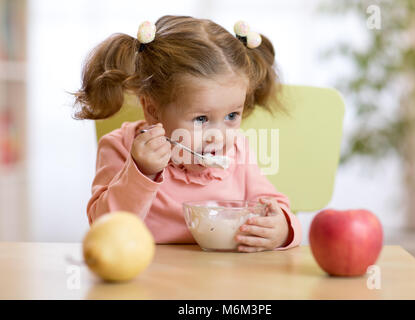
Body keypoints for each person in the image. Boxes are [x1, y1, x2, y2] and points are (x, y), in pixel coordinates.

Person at [73, 15, 301, 252]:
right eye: (201, 119)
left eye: (232, 116)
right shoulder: (119, 148)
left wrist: (282, 228)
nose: (218, 136)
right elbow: (103, 227)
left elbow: (272, 205)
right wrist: (142, 172)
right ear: (153, 110)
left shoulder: (238, 150)